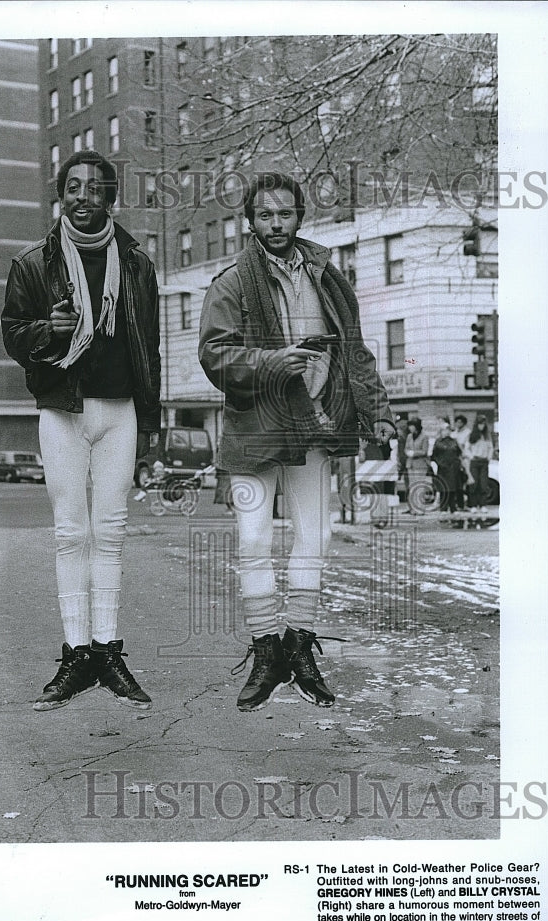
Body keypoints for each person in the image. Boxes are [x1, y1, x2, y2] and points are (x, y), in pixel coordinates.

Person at [198, 171, 394, 713]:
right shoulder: (232, 282)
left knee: (316, 537)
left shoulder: (328, 278)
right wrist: (271, 360)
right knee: (254, 540)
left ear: (300, 216)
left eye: (285, 214)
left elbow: (355, 352)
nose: (276, 224)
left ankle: (299, 647)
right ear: (251, 220)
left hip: (315, 425)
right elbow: (214, 354)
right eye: (265, 215)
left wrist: (378, 413)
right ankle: (265, 653)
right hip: (255, 429)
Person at [1, 150, 161, 713]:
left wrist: (154, 423)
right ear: (60, 195)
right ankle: (75, 653)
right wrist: (49, 330)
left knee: (110, 532)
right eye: (73, 187)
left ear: (111, 198)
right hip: (63, 408)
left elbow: (150, 350)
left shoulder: (137, 264)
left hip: (120, 410)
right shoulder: (33, 262)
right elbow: (13, 333)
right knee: (72, 531)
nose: (83, 197)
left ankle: (107, 650)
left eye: (95, 189)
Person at [431, 418, 463, 516]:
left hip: (453, 468)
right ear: (441, 431)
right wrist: (440, 464)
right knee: (443, 489)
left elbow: (459, 453)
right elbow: (434, 456)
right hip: (443, 468)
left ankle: (453, 507)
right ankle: (443, 508)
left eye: (448, 430)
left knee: (453, 489)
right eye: (444, 430)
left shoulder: (454, 441)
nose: (446, 432)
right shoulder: (438, 442)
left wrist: (457, 464)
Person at [465, 412, 494, 513]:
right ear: (476, 425)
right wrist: (471, 456)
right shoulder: (472, 435)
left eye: (483, 424)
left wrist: (489, 457)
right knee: (474, 483)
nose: (481, 426)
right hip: (474, 461)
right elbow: (467, 448)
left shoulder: (487, 436)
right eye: (479, 424)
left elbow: (491, 448)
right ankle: (473, 505)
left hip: (484, 461)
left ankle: (483, 505)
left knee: (483, 483)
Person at [403, 418, 430, 514]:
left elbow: (425, 451)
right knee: (412, 486)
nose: (410, 428)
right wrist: (408, 453)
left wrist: (414, 453)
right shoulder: (409, 436)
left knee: (419, 486)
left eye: (412, 426)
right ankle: (413, 508)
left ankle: (420, 508)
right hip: (410, 464)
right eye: (409, 426)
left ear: (417, 426)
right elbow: (406, 448)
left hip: (420, 464)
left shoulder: (424, 437)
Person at [450, 414, 471, 510]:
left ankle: (467, 503)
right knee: (457, 482)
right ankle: (457, 503)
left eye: (460, 422)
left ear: (463, 423)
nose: (458, 424)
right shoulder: (453, 434)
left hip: (465, 458)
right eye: (456, 422)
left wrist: (460, 447)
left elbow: (466, 446)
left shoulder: (468, 433)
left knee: (466, 481)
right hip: (455, 460)